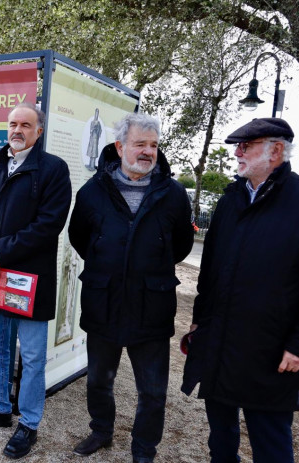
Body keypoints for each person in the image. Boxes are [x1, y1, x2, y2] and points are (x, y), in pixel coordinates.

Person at [181, 118, 299, 463]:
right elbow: (211, 271)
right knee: (221, 435)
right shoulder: (232, 198)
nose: (237, 153)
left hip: (273, 351)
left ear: (276, 150)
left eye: (246, 146)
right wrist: (199, 321)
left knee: (270, 440)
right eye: (238, 146)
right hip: (221, 342)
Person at [68, 113, 194, 463]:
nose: (148, 152)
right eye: (140, 144)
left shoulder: (173, 194)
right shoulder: (93, 192)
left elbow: (181, 245)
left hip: (151, 306)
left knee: (152, 391)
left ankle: (144, 449)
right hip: (103, 300)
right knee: (98, 380)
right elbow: (80, 237)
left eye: (153, 145)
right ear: (120, 146)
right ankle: (101, 431)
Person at [0, 102, 72, 459]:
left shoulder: (54, 170)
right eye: (13, 123)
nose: (17, 130)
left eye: (26, 124)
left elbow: (48, 225)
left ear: (38, 131)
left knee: (32, 356)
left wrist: (1, 254)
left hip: (30, 281)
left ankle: (29, 423)